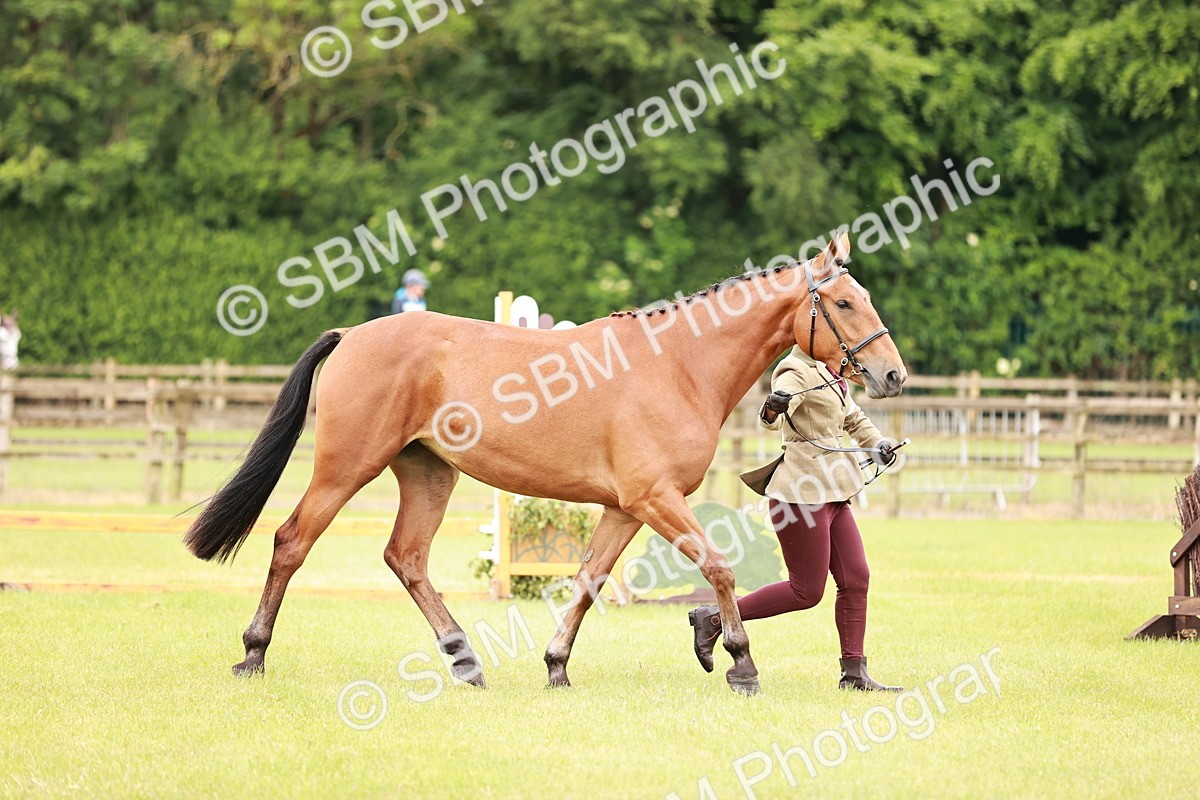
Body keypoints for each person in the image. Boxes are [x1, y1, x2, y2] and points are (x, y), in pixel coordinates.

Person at [688, 345, 902, 691]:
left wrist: (877, 444)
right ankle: (714, 618)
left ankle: (854, 673)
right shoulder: (794, 369)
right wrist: (773, 408)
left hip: (834, 491)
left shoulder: (832, 369)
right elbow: (771, 416)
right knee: (806, 591)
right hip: (800, 497)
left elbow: (852, 417)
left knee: (856, 578)